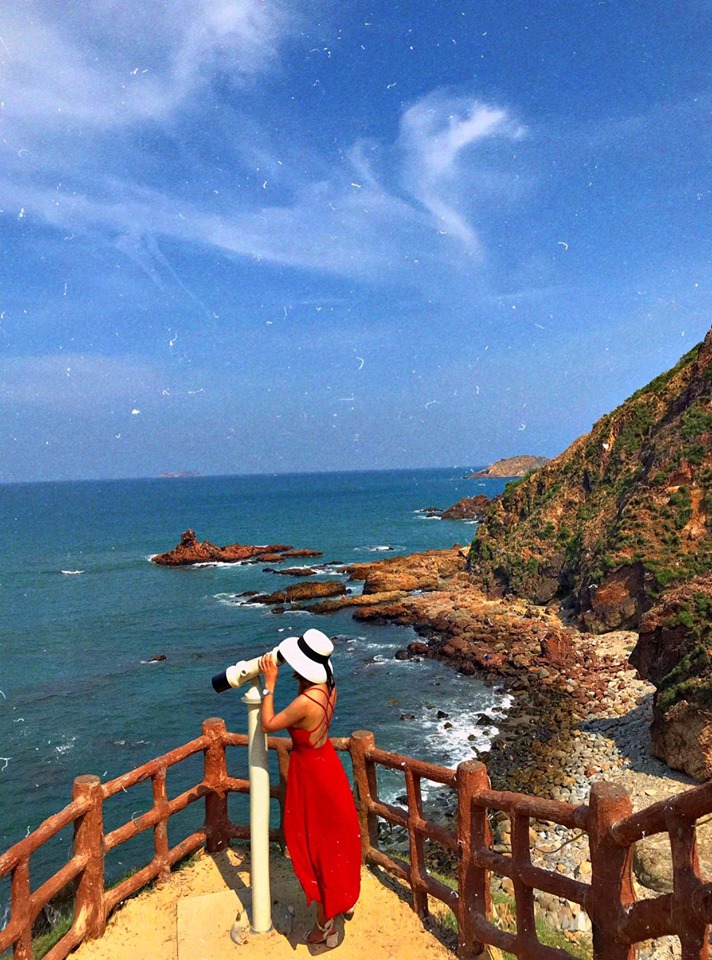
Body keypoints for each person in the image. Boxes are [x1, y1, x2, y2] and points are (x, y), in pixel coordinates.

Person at [258, 628, 361, 948]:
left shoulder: (305, 702)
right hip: (328, 766)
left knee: (316, 848)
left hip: (311, 776)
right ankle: (344, 900)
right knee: (338, 841)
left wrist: (269, 684)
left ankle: (324, 926)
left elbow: (268, 724)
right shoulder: (330, 687)